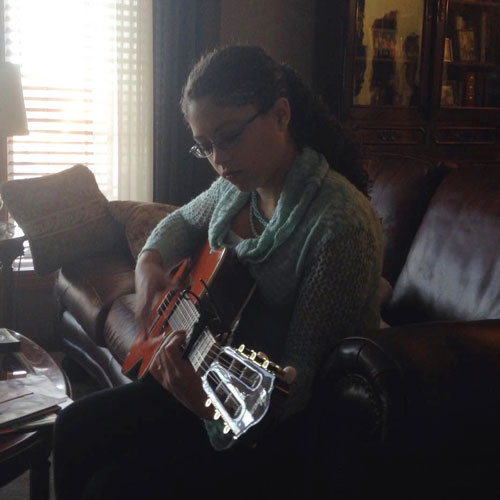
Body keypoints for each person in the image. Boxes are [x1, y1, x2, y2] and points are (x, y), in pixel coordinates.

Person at [53, 45, 383, 500]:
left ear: (281, 115)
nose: (219, 160)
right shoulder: (236, 189)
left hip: (267, 428)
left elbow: (301, 385)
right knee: (73, 427)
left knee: (112, 487)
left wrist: (205, 405)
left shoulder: (339, 224)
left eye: (228, 136)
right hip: (206, 375)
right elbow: (181, 221)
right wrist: (149, 263)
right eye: (204, 145)